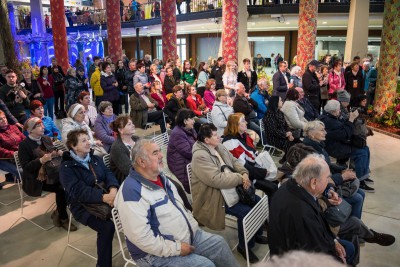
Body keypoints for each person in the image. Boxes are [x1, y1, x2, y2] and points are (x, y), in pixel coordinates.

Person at [114, 138, 238, 266]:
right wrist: (177, 248)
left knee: (219, 244)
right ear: (141, 161)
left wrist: (192, 228)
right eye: (155, 153)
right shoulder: (131, 192)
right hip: (153, 254)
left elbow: (180, 208)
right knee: (205, 265)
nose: (162, 155)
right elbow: (141, 238)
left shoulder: (161, 178)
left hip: (186, 236)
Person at [191, 123, 267, 263]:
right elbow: (216, 180)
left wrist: (244, 172)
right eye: (215, 135)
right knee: (246, 212)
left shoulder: (218, 146)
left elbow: (234, 161)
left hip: (229, 188)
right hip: (214, 196)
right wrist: (240, 178)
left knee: (257, 202)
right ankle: (244, 247)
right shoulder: (200, 156)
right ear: (206, 140)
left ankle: (256, 234)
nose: (219, 136)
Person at [268, 154, 355, 265]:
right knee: (349, 250)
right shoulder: (302, 212)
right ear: (313, 182)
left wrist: (333, 241)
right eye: (327, 178)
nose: (328, 181)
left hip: (292, 250)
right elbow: (316, 253)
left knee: (348, 246)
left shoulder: (291, 186)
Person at [60, 129, 119, 267]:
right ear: (74, 146)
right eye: (84, 140)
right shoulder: (66, 167)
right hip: (81, 205)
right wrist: (105, 197)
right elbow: (78, 191)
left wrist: (113, 189)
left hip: (107, 196)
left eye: (88, 139)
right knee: (107, 227)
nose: (88, 142)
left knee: (132, 210)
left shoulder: (95, 158)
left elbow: (108, 173)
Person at [18, 117, 76, 231]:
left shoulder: (45, 138)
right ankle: (63, 218)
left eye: (42, 125)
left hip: (52, 173)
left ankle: (59, 211)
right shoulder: (24, 145)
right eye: (39, 126)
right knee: (61, 188)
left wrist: (58, 152)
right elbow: (26, 168)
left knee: (70, 181)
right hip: (36, 180)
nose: (43, 127)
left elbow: (52, 149)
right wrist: (40, 161)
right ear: (30, 130)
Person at [319, 100, 374, 192]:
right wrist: (351, 120)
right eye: (338, 110)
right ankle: (360, 179)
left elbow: (343, 129)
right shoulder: (329, 121)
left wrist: (349, 119)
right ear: (333, 111)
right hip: (334, 148)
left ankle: (364, 175)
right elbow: (345, 134)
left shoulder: (329, 117)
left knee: (365, 148)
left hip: (338, 144)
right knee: (361, 152)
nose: (340, 111)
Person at [222, 113, 278, 203]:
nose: (247, 122)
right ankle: (273, 215)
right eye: (243, 121)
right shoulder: (230, 142)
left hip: (254, 168)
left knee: (275, 182)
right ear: (235, 125)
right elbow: (243, 167)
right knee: (273, 188)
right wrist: (262, 172)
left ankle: (273, 210)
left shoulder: (243, 135)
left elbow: (252, 154)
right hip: (246, 175)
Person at [167, 109, 197, 193]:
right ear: (185, 121)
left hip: (186, 158)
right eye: (192, 119)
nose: (194, 121)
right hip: (179, 163)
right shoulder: (178, 133)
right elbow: (188, 153)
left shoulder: (189, 129)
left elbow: (197, 143)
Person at [263, 96, 296, 164]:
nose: (282, 102)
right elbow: (273, 131)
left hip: (282, 135)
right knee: (290, 144)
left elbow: (286, 125)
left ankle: (287, 159)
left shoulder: (280, 112)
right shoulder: (269, 114)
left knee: (296, 140)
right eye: (280, 101)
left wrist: (289, 133)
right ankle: (288, 161)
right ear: (276, 103)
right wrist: (286, 135)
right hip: (273, 138)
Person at [109, 115, 138, 183]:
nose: (133, 125)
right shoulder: (117, 147)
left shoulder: (137, 139)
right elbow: (128, 170)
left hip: (140, 173)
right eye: (129, 124)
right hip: (127, 179)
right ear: (120, 130)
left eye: (132, 123)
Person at [0, 110, 25, 189]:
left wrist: (27, 146)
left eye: (4, 117)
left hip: (19, 156)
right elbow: (0, 150)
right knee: (21, 171)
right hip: (4, 159)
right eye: (0, 119)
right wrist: (13, 153)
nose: (4, 120)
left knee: (34, 165)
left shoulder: (13, 127)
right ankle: (31, 188)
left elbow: (23, 138)